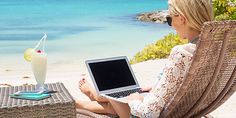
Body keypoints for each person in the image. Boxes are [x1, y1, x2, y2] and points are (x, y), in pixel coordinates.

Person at [76, 0, 214, 117]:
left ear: (182, 19)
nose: (171, 25)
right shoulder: (213, 48)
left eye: (170, 19)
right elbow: (185, 84)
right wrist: (156, 88)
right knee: (118, 95)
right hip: (187, 108)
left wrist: (135, 99)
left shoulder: (182, 53)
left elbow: (149, 113)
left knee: (115, 94)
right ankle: (94, 96)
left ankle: (93, 96)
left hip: (158, 113)